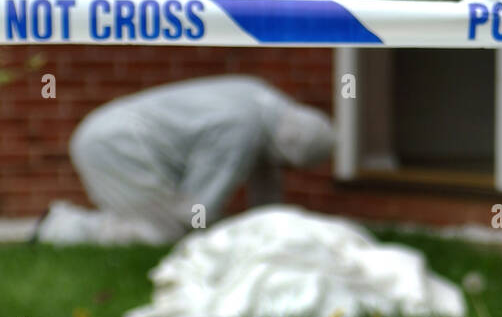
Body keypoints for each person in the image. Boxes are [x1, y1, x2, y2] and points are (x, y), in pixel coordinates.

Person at [35, 75, 335, 245]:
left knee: (158, 222)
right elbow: (199, 206)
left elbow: (265, 179)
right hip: (118, 146)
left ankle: (65, 225)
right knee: (160, 233)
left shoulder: (261, 99)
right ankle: (57, 229)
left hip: (111, 134)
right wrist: (210, 244)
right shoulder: (240, 129)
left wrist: (273, 229)